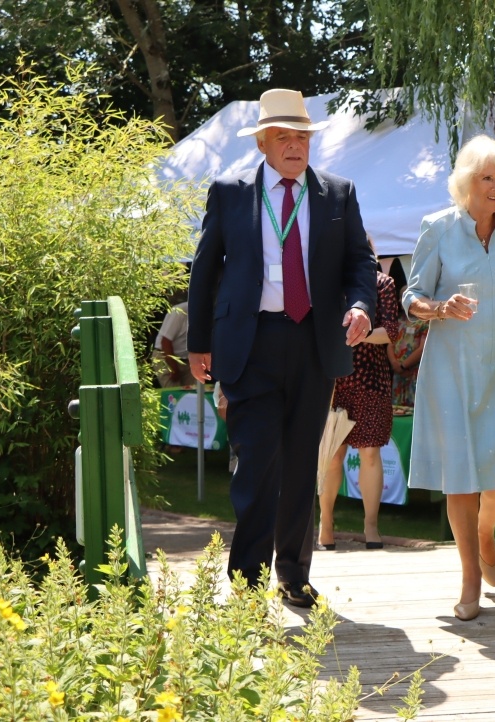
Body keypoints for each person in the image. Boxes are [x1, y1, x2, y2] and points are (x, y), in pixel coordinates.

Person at [186, 88, 376, 608]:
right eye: (285, 138)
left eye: (303, 138)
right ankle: (247, 582)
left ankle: (293, 574)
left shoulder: (337, 193)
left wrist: (361, 306)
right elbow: (204, 272)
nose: (296, 147)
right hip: (250, 343)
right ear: (264, 145)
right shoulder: (230, 192)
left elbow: (360, 263)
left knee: (299, 463)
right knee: (257, 463)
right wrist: (198, 343)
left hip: (314, 342)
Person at [401, 134, 495, 621]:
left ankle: (486, 530)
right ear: (467, 182)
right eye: (487, 177)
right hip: (452, 366)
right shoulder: (437, 228)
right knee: (462, 474)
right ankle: (469, 574)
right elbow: (412, 297)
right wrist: (440, 307)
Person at [317, 237, 402, 551]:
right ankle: (326, 523)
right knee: (331, 456)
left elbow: (391, 331)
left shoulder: (383, 283)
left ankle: (370, 526)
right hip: (331, 382)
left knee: (370, 452)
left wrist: (357, 335)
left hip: (371, 380)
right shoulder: (324, 282)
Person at [388, 291, 428, 406]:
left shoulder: (424, 323)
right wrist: (395, 364)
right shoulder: (397, 322)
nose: (403, 300)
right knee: (397, 409)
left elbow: (422, 349)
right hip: (398, 374)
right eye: (401, 297)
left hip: (414, 373)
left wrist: (403, 365)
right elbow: (389, 344)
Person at [152, 300, 196, 388]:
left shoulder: (210, 313)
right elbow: (165, 342)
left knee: (194, 394)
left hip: (188, 360)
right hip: (165, 356)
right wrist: (173, 369)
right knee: (174, 395)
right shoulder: (180, 311)